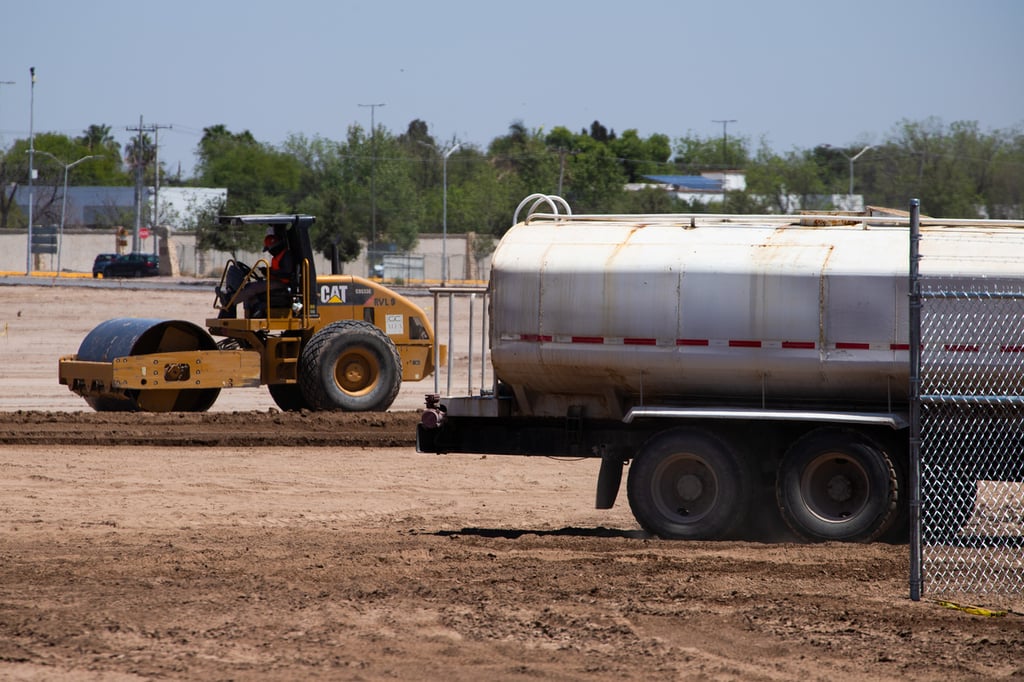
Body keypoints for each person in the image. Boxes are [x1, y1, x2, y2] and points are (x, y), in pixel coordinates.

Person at [237, 226, 295, 317]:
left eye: (269, 249)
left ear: (275, 247)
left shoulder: (286, 256)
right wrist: (266, 271)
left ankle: (231, 302)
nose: (269, 252)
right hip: (276, 282)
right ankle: (256, 308)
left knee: (253, 288)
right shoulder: (277, 256)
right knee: (248, 287)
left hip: (282, 285)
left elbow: (287, 273)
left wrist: (270, 272)